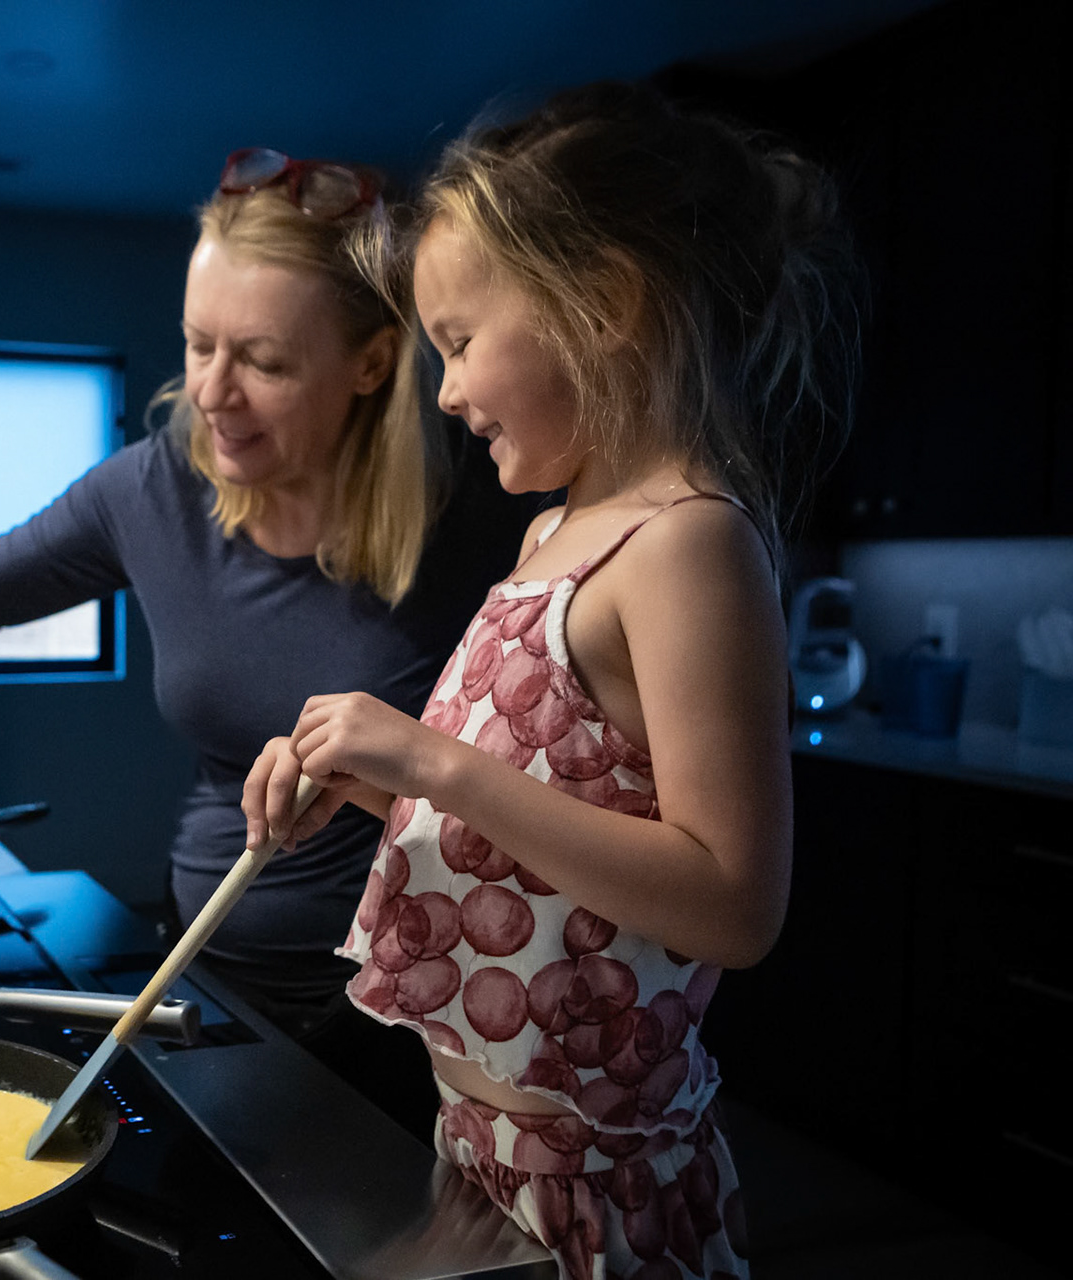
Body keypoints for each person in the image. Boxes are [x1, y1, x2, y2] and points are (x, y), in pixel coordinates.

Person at [0, 147, 527, 1124]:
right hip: (210, 967)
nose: (212, 391)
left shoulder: (484, 502)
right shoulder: (154, 490)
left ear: (372, 362)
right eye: (199, 345)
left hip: (420, 1002)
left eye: (263, 361)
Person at [244, 82, 861, 1280]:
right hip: (476, 1152)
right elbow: (548, 828)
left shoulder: (688, 540)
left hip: (598, 1190)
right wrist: (376, 787)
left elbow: (732, 900)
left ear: (608, 304)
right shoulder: (551, 538)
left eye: (461, 342)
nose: (445, 390)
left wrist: (431, 759)